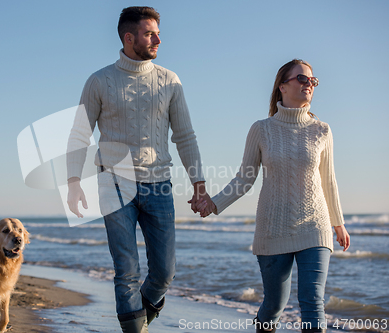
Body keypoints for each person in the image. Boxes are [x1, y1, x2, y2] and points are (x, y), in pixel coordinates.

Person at [66, 6, 213, 332]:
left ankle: (138, 319)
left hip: (159, 184)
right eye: (150, 34)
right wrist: (73, 180)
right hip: (113, 184)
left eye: (158, 32)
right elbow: (80, 134)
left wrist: (198, 183)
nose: (158, 39)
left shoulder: (169, 81)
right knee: (127, 270)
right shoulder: (100, 80)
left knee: (164, 272)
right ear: (128, 37)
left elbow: (185, 135)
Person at [194, 59, 350, 333]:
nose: (309, 85)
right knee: (274, 305)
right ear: (282, 86)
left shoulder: (322, 130)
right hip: (272, 227)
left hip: (315, 226)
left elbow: (329, 180)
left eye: (312, 81)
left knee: (313, 302)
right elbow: (244, 178)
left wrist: (338, 223)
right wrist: (214, 203)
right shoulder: (261, 129)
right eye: (302, 79)